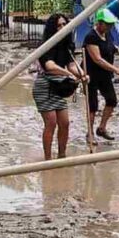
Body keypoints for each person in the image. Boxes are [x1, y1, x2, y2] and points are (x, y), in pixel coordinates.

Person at [32, 13, 85, 160]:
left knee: (65, 123)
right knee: (51, 123)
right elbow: (49, 66)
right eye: (58, 25)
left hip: (59, 86)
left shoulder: (67, 46)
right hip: (44, 86)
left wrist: (81, 74)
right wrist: (68, 74)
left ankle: (62, 155)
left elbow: (72, 65)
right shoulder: (45, 46)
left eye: (64, 24)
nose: (62, 27)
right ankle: (48, 159)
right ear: (52, 28)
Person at [83, 8, 119, 142]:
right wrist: (117, 70)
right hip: (91, 75)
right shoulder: (91, 37)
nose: (109, 27)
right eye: (107, 24)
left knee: (111, 100)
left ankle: (101, 128)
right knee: (92, 105)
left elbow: (108, 46)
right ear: (99, 23)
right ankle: (90, 133)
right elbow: (97, 59)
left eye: (110, 24)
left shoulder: (108, 34)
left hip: (104, 75)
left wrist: (117, 48)